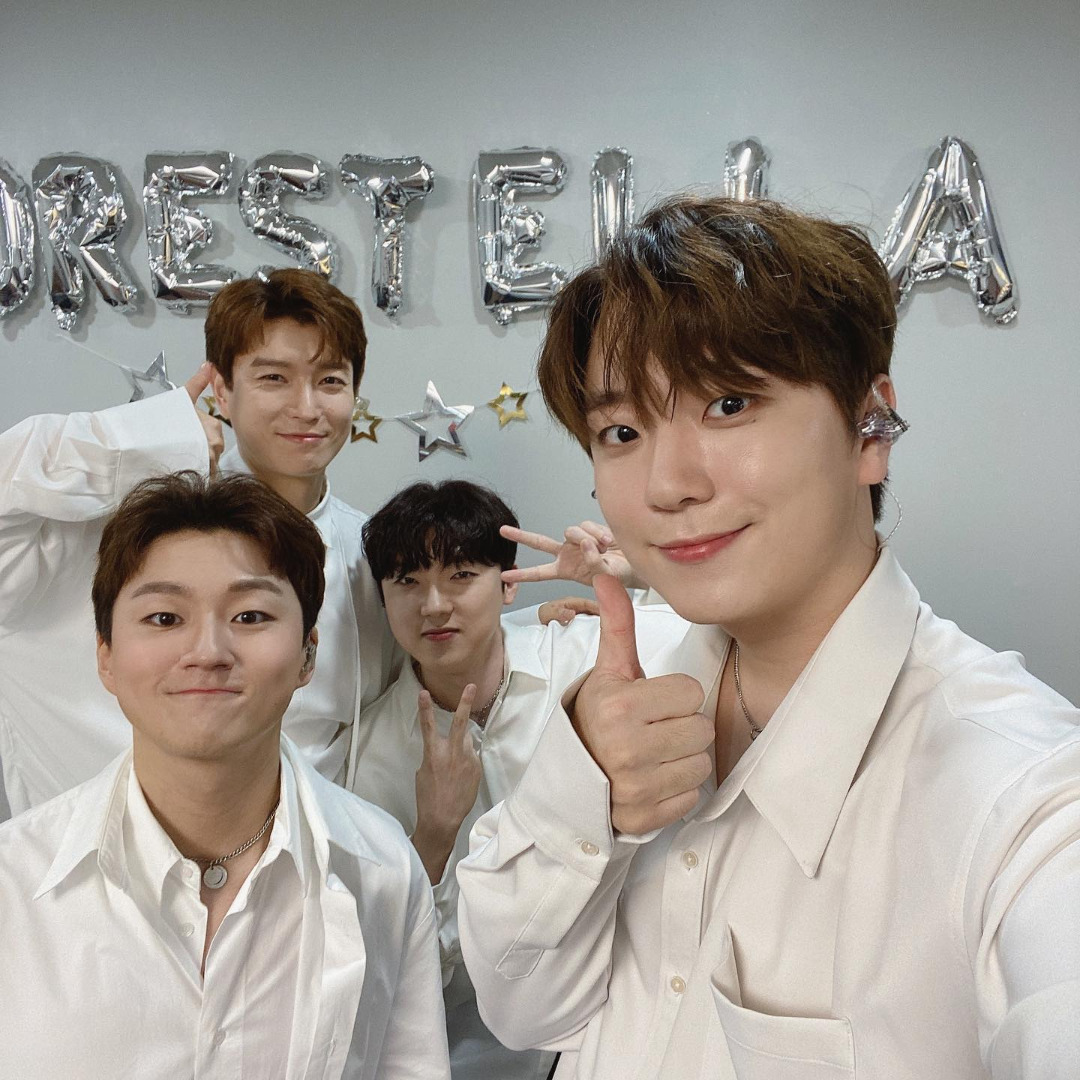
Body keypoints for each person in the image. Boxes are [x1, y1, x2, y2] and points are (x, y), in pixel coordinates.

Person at [456, 195, 1080, 1078]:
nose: (668, 484)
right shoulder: (627, 703)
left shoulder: (1025, 802)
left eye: (729, 403)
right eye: (622, 431)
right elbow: (524, 1010)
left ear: (870, 427)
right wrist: (582, 793)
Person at [0, 471, 449, 1079]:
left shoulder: (382, 869)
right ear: (105, 655)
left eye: (251, 615)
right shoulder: (14, 880)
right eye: (164, 618)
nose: (208, 652)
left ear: (308, 654)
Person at [0, 269, 399, 816]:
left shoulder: (371, 554)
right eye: (274, 378)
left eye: (330, 381)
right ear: (222, 392)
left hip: (296, 855)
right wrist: (150, 441)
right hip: (102, 853)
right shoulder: (117, 526)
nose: (307, 407)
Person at [352, 480, 689, 1080]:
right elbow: (389, 980)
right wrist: (434, 836)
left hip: (633, 1029)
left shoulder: (588, 656)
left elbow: (730, 640)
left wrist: (642, 573)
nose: (433, 605)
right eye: (407, 581)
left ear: (508, 585)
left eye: (460, 576)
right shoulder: (369, 757)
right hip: (481, 1059)